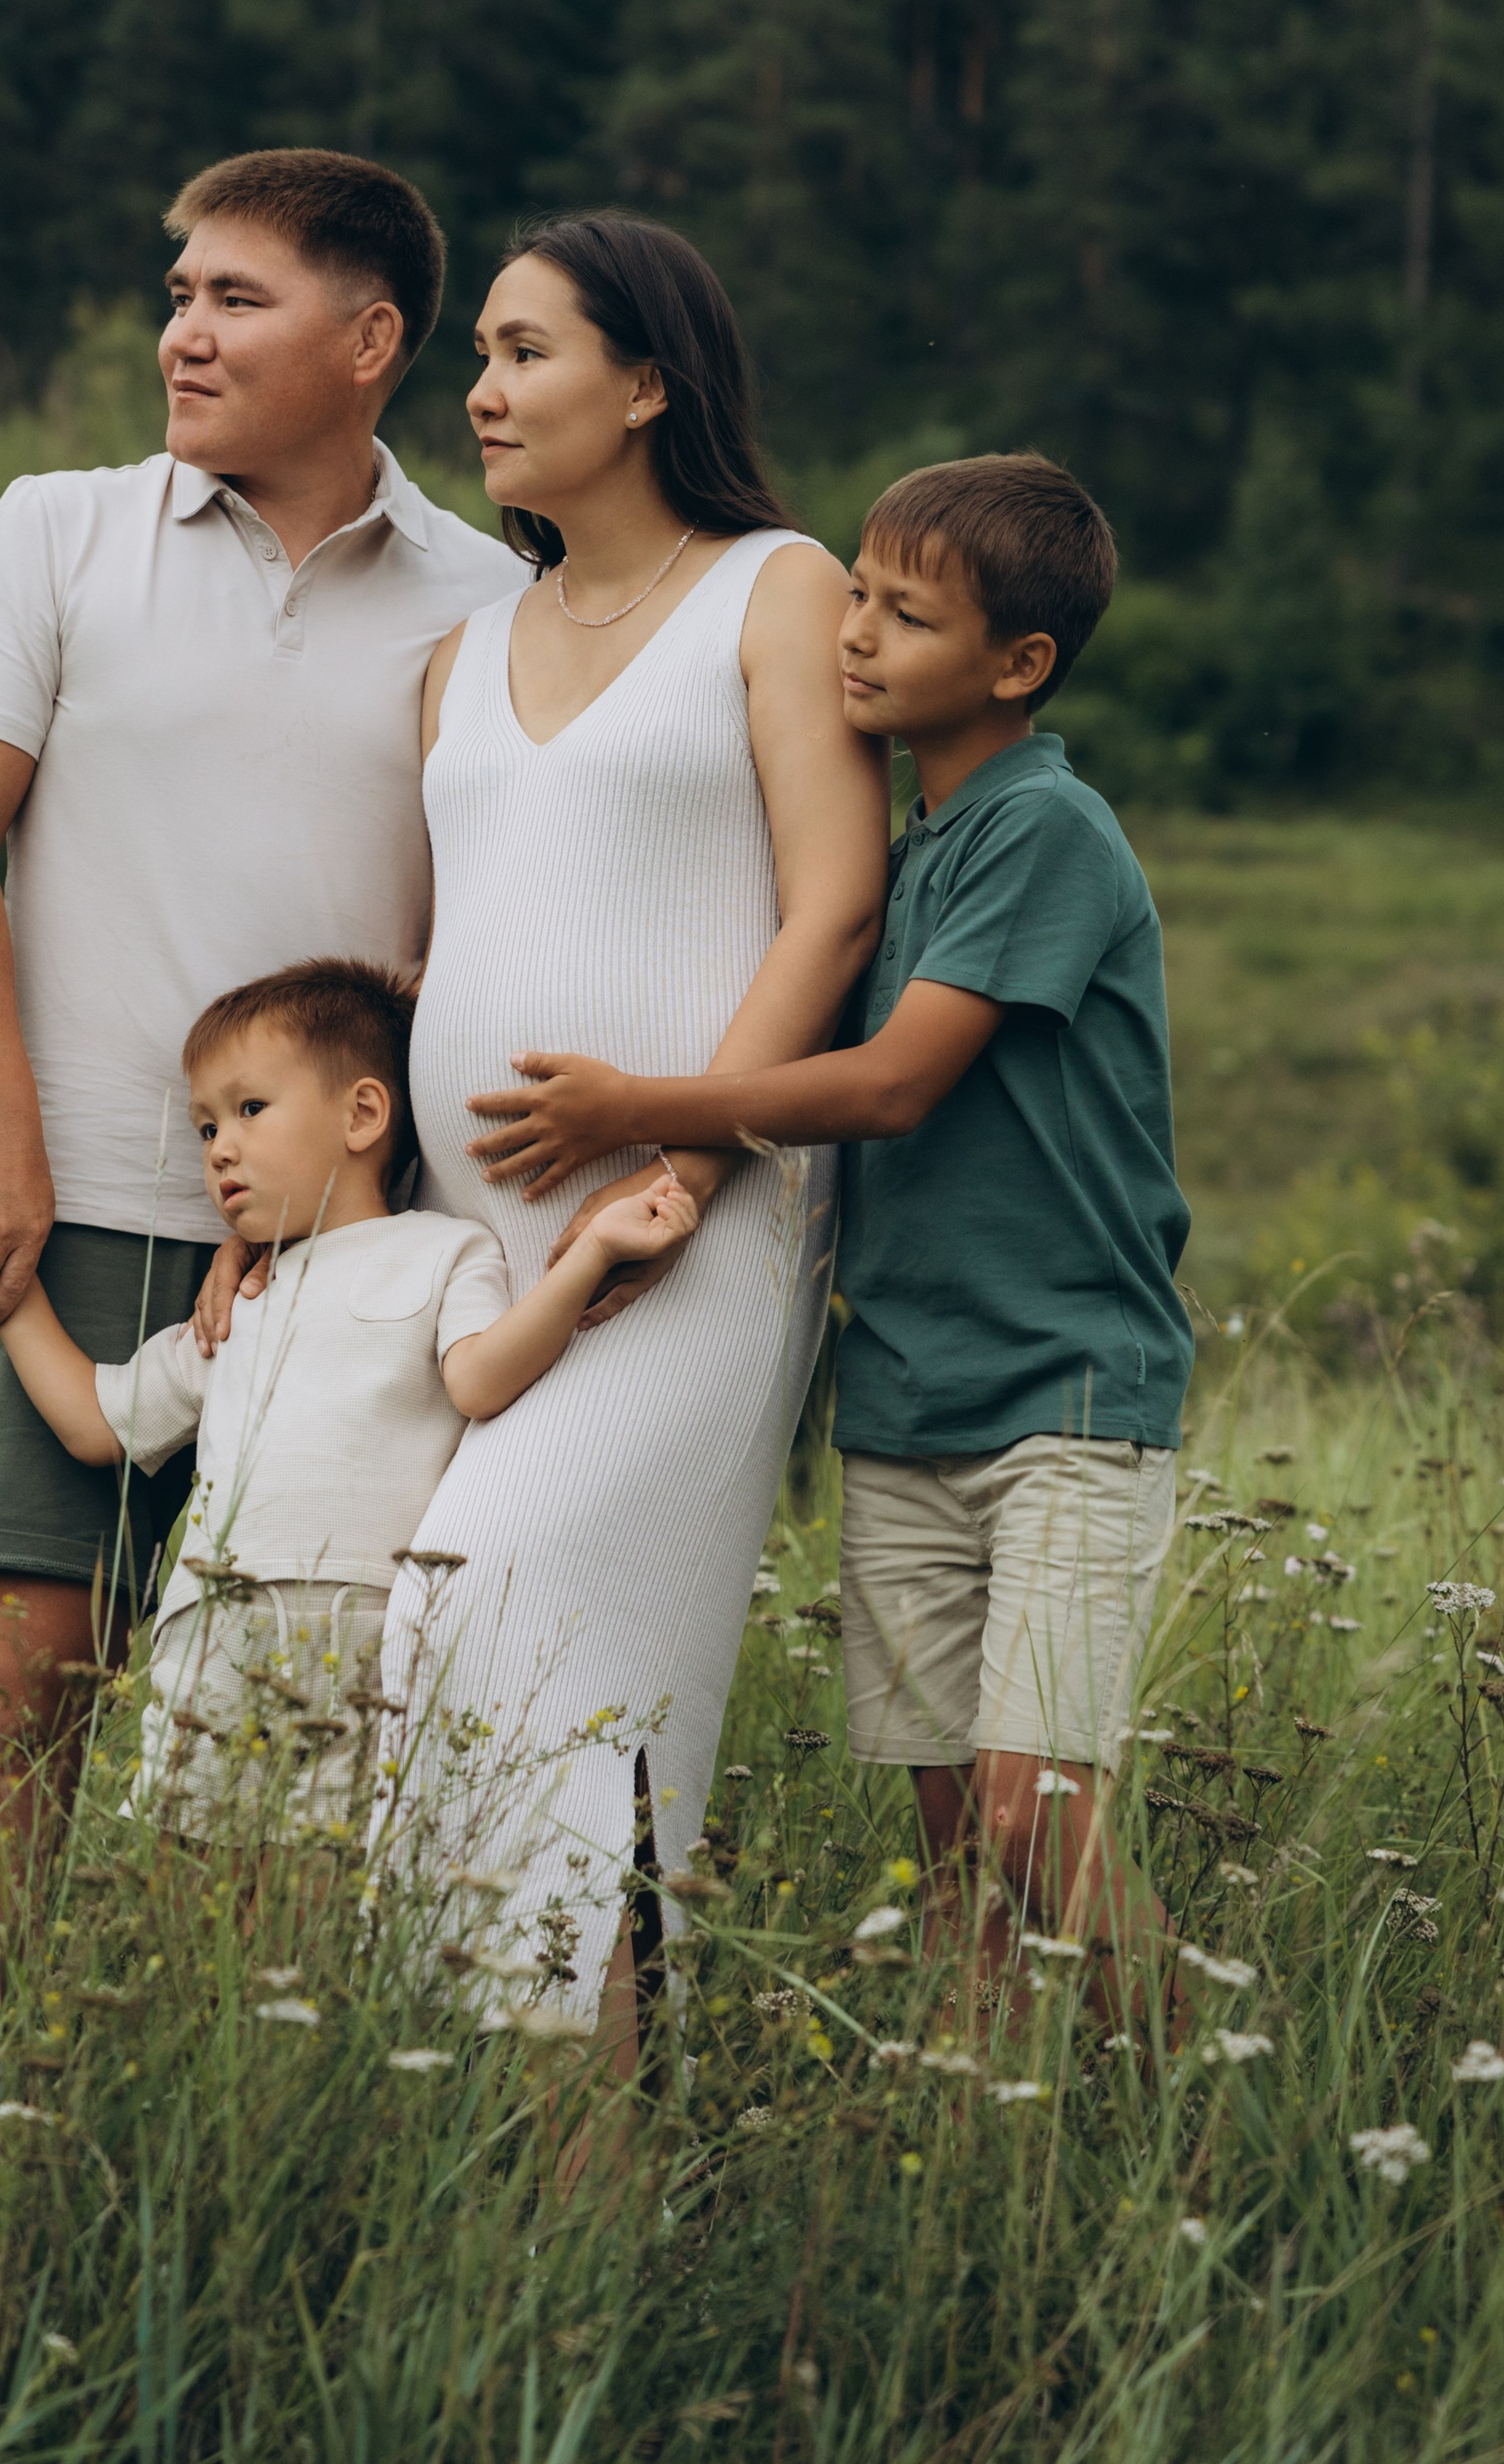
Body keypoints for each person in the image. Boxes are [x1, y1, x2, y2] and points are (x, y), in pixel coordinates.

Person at [0, 148, 524, 2143]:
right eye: (176, 290)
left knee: (334, 1753)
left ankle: (240, 2184)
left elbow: (483, 928)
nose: (180, 329)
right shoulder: (53, 534)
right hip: (74, 1225)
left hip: (365, 1272)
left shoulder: (495, 596)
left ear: (369, 340)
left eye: (234, 297)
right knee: (10, 1710)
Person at [465, 451, 1192, 2017]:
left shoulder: (1041, 831)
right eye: (856, 592)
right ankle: (989, 2177)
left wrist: (635, 1112)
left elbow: (889, 1084)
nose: (854, 633)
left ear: (1017, 665)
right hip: (910, 1394)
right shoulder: (912, 843)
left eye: (905, 616)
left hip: (1066, 1391)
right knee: (950, 1841)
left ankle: (1193, 2134)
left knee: (1031, 1809)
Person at [376, 212, 892, 2050]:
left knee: (467, 1608)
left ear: (648, 381)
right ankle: (555, 2140)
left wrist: (689, 1158)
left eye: (525, 350)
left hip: (696, 1224)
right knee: (503, 1685)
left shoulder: (775, 585)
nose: (481, 389)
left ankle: (549, 2141)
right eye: (482, 355)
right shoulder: (462, 650)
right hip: (476, 1246)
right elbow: (440, 945)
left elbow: (831, 909)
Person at [0, 957, 697, 1837]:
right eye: (206, 1124)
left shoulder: (443, 1252)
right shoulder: (235, 1303)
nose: (219, 1146)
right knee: (202, 1886)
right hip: (214, 1633)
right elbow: (97, 1423)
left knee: (339, 1889)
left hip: (366, 1630)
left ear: (364, 1113)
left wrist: (591, 1253)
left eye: (249, 1110)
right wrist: (5, 1291)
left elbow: (479, 1377)